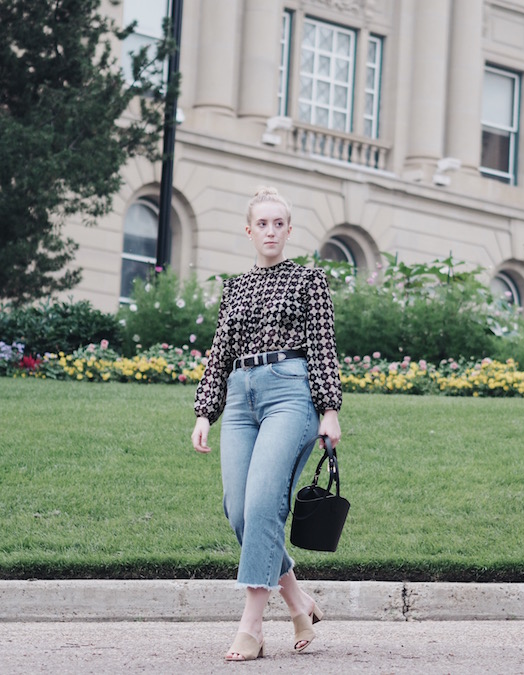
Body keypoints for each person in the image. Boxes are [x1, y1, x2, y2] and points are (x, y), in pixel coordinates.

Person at [190, 186, 343, 661]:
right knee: (239, 510)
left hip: (290, 393)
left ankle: (251, 626)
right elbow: (219, 353)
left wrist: (329, 409)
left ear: (290, 230)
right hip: (239, 399)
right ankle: (298, 601)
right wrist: (204, 411)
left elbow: (322, 346)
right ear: (249, 230)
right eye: (262, 223)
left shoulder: (308, 282)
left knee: (263, 505)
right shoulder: (234, 287)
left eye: (279, 223)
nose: (271, 231)